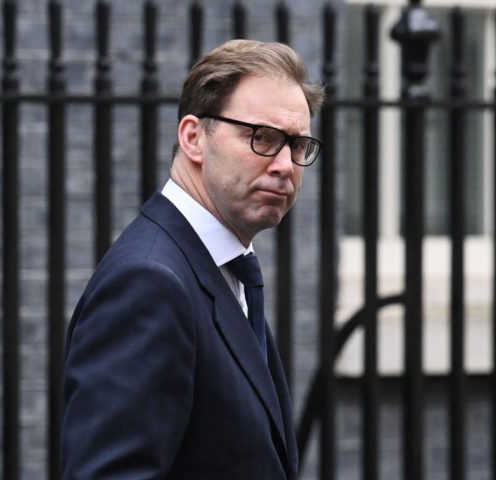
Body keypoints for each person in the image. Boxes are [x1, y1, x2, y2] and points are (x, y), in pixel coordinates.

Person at [61, 39, 324, 479]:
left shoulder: (224, 269)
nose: (284, 165)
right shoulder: (149, 282)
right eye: (261, 137)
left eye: (297, 145)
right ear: (193, 137)